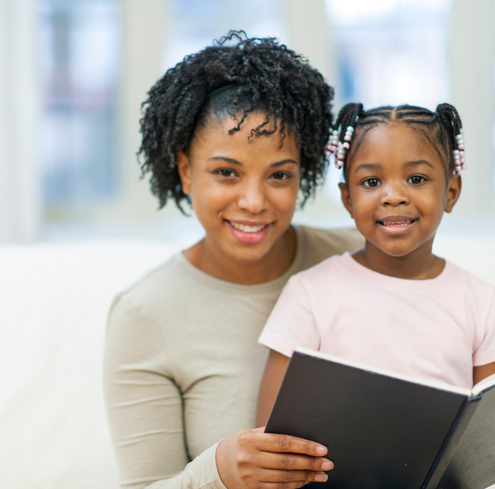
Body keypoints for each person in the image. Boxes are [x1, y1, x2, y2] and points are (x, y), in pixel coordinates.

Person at [104, 32, 364, 489]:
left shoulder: (359, 259)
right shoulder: (144, 315)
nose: (253, 201)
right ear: (186, 171)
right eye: (227, 172)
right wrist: (219, 470)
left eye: (279, 175)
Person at [257, 102, 495, 427]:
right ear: (348, 200)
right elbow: (270, 436)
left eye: (416, 178)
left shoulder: (483, 303)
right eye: (371, 182)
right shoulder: (310, 294)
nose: (393, 196)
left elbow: (485, 439)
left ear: (451, 192)